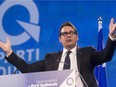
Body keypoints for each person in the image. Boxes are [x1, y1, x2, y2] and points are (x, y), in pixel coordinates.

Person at [0, 18, 116, 87]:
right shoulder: (51, 58)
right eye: (64, 34)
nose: (68, 35)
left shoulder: (87, 53)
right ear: (60, 39)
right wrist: (10, 52)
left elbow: (106, 55)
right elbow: (28, 69)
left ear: (77, 37)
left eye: (71, 33)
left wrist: (111, 37)